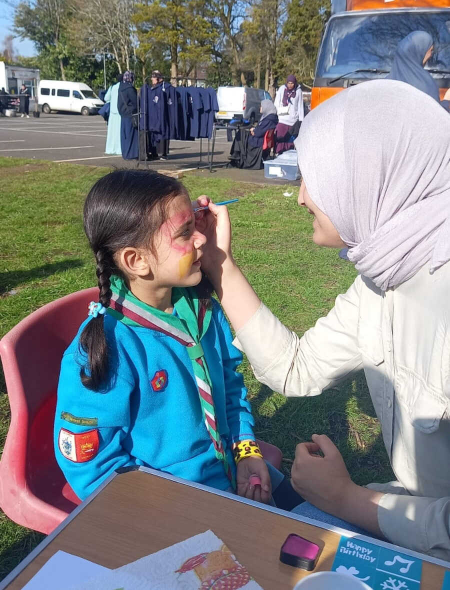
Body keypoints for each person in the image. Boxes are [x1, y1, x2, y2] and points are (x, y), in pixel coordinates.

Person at [194, 79, 450, 560]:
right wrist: (219, 264)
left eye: (317, 177)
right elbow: (295, 368)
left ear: (368, 178)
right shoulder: (385, 276)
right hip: (410, 514)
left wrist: (346, 499)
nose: (302, 197)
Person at [54, 169, 302, 510]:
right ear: (136, 260)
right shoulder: (107, 347)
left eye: (195, 227)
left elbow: (229, 388)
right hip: (170, 506)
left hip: (234, 474)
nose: (200, 239)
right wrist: (166, 517)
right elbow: (92, 466)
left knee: (317, 526)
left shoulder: (203, 309)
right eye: (186, 233)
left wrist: (245, 449)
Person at [387, 30, 450, 110]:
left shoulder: (385, 84)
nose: (430, 55)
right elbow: (432, 116)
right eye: (430, 50)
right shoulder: (425, 85)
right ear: (420, 52)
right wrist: (447, 101)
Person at [229, 100, 278, 169]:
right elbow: (261, 129)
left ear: (266, 107)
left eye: (261, 106)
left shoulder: (268, 119)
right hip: (261, 138)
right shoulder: (270, 118)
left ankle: (236, 155)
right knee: (242, 133)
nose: (260, 107)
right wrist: (254, 130)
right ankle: (236, 154)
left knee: (240, 133)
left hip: (259, 140)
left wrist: (254, 130)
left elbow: (258, 133)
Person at [274, 75, 304, 154]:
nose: (290, 85)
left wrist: (301, 121)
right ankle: (278, 154)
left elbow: (300, 106)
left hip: (292, 121)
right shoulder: (281, 89)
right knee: (280, 139)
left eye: (292, 83)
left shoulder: (298, 91)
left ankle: (288, 156)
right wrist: (278, 113)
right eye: (289, 83)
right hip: (282, 120)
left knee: (289, 142)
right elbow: (276, 103)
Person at [118, 71, 138, 160]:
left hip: (123, 114)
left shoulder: (121, 87)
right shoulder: (130, 88)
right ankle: (131, 154)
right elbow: (135, 102)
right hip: (130, 114)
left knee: (124, 135)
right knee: (131, 135)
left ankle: (125, 153)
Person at [104, 74, 123, 156]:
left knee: (111, 133)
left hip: (112, 113)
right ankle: (119, 149)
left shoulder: (112, 87)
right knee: (119, 132)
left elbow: (106, 98)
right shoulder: (123, 87)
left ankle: (110, 148)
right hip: (120, 113)